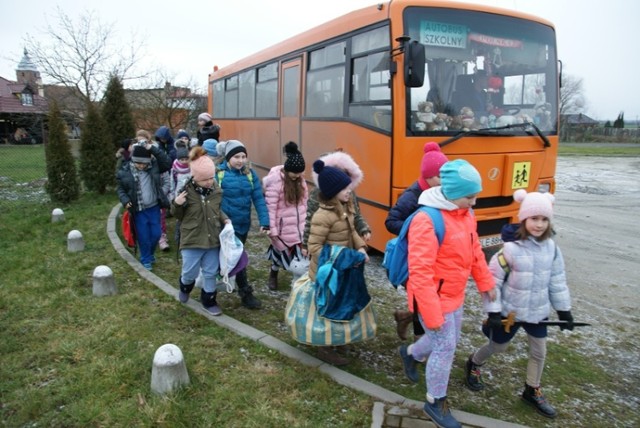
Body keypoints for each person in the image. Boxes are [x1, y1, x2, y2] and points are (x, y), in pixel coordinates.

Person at [397, 159, 496, 428]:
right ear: (451, 193)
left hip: (454, 294)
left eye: (475, 196)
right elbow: (420, 272)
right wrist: (430, 313)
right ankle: (435, 401)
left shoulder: (466, 215)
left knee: (446, 340)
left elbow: (475, 253)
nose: (474, 202)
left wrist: (485, 282)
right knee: (445, 346)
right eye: (469, 197)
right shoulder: (426, 221)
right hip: (431, 298)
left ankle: (411, 354)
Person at [464, 189, 573, 420]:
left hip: (538, 312)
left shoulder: (552, 249)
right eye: (534, 218)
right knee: (498, 347)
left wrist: (564, 310)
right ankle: (474, 362)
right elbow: (491, 282)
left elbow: (557, 279)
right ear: (524, 219)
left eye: (544, 219)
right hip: (510, 312)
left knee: (539, 352)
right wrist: (493, 311)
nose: (540, 224)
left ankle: (531, 390)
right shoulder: (510, 250)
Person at [307, 159, 369, 366]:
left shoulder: (345, 209)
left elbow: (352, 231)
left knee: (342, 303)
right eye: (344, 188)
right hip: (329, 274)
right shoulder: (323, 216)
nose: (349, 191)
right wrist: (339, 259)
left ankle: (338, 338)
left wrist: (360, 247)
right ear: (333, 192)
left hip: (343, 270)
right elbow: (314, 247)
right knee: (328, 307)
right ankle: (324, 346)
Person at [385, 142, 449, 340]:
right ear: (428, 177)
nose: (444, 181)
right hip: (413, 257)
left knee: (428, 297)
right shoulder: (412, 196)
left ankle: (405, 317)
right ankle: (418, 345)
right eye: (441, 177)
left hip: (432, 255)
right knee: (421, 298)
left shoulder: (437, 192)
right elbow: (391, 221)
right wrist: (418, 231)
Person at [171, 146, 230, 315]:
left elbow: (216, 210)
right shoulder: (186, 192)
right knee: (189, 272)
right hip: (192, 239)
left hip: (212, 239)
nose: (209, 182)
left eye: (211, 178)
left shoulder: (216, 191)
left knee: (211, 272)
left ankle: (209, 301)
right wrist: (177, 204)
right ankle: (185, 286)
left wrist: (224, 218)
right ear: (195, 178)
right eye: (205, 179)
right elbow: (177, 215)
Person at [215, 139, 269, 309]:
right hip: (224, 226)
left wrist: (264, 221)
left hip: (243, 225)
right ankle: (240, 292)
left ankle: (238, 290)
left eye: (243, 156)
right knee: (229, 258)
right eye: (236, 156)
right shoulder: (219, 173)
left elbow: (259, 199)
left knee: (236, 258)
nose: (240, 160)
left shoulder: (250, 174)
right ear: (228, 157)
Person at [116, 140, 172, 270]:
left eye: (144, 163)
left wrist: (151, 148)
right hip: (139, 210)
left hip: (154, 207)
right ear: (132, 160)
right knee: (143, 236)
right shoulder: (125, 171)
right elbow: (120, 189)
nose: (141, 166)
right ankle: (145, 258)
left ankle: (150, 253)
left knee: (156, 234)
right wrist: (125, 201)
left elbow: (167, 162)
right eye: (138, 163)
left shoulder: (154, 167)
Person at [302, 150, 371, 254]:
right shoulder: (319, 202)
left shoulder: (348, 195)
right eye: (344, 188)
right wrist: (305, 244)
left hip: (345, 251)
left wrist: (363, 229)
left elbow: (356, 216)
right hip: (327, 255)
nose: (348, 190)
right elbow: (310, 221)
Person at [263, 141, 308, 290]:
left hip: (299, 225)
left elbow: (305, 203)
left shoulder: (301, 181)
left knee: (299, 256)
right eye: (295, 173)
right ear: (287, 170)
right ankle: (273, 273)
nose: (297, 175)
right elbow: (271, 207)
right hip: (282, 228)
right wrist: (273, 230)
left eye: (300, 173)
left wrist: (307, 223)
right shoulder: (276, 182)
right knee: (279, 252)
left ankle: (299, 282)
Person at [154, 126, 177, 252]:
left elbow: (172, 157)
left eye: (164, 137)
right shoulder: (159, 147)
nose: (162, 140)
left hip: (169, 172)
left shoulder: (172, 146)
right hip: (162, 174)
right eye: (160, 138)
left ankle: (162, 236)